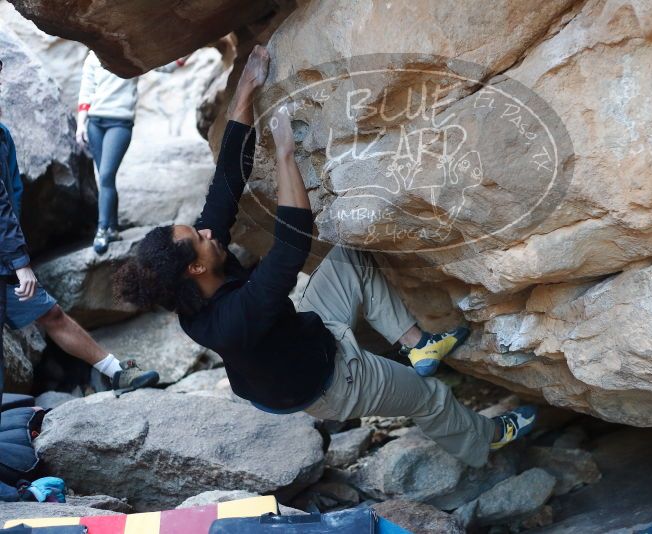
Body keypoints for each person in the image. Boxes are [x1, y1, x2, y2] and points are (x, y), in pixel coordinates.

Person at [113, 46, 537, 468]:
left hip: (303, 337)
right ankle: (486, 439)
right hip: (328, 382)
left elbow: (226, 184)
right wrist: (284, 156)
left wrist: (244, 93)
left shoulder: (201, 274)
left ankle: (417, 345)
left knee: (351, 256)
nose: (207, 231)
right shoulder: (230, 321)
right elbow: (290, 247)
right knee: (429, 397)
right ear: (196, 267)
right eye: (200, 237)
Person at [0, 58, 159, 398]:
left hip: (5, 258)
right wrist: (20, 263)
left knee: (51, 314)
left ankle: (116, 372)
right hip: (9, 259)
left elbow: (12, 196)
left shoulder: (3, 135)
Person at [76, 52, 188, 254]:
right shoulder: (92, 57)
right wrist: (80, 124)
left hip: (119, 123)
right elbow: (86, 90)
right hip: (95, 123)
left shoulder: (128, 56)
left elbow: (163, 66)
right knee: (105, 178)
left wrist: (187, 51)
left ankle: (101, 230)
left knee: (107, 175)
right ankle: (112, 227)